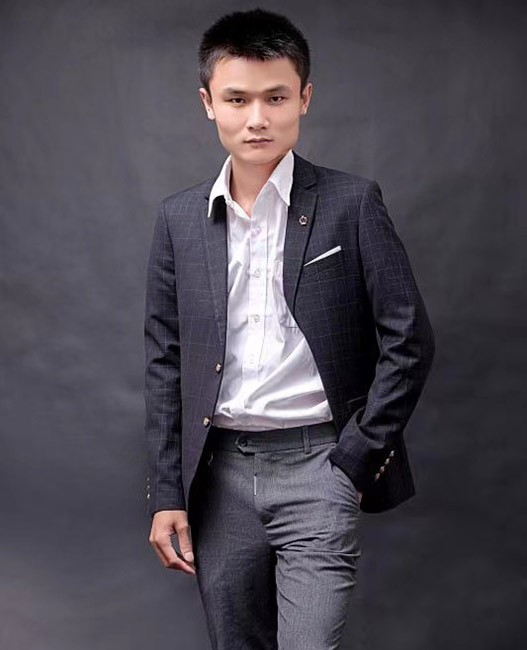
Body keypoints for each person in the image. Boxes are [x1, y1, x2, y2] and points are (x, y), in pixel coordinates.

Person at [143, 8, 435, 650]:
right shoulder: (179, 219)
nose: (257, 118)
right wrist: (167, 492)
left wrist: (356, 458)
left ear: (304, 97)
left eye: (275, 98)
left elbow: (409, 339)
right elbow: (165, 360)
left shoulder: (351, 203)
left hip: (320, 466)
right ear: (207, 103)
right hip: (218, 477)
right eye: (237, 99)